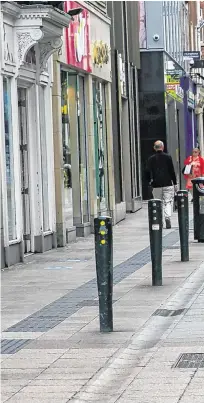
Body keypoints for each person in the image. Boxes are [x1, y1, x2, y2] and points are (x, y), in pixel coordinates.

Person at [145, 140, 177, 229]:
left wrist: (149, 181)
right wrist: (175, 183)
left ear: (154, 148)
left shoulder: (151, 159)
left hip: (156, 184)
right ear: (162, 147)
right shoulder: (168, 157)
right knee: (168, 201)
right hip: (167, 183)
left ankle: (159, 220)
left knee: (158, 202)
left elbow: (147, 171)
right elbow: (172, 171)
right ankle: (167, 217)